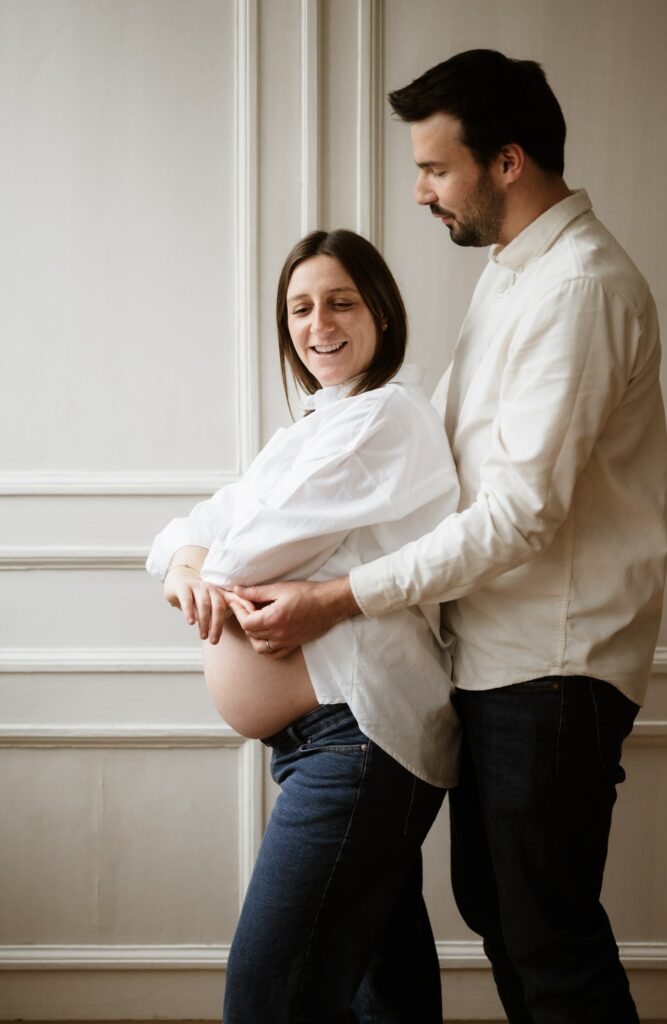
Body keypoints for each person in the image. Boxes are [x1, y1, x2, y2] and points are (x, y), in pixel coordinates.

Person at [231, 51, 667, 1023]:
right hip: (500, 664)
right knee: (509, 922)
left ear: (505, 161)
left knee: (547, 941)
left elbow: (521, 513)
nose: (423, 191)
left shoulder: (579, 288)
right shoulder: (516, 282)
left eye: (436, 167)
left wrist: (340, 595)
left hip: (551, 666)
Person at [146, 229, 462, 1023]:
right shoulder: (307, 432)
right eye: (299, 307)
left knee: (268, 998)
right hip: (322, 746)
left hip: (356, 744)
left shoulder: (388, 418)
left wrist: (201, 562)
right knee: (382, 998)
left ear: (381, 314)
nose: (317, 323)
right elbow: (195, 526)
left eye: (340, 302)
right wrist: (185, 560)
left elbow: (241, 552)